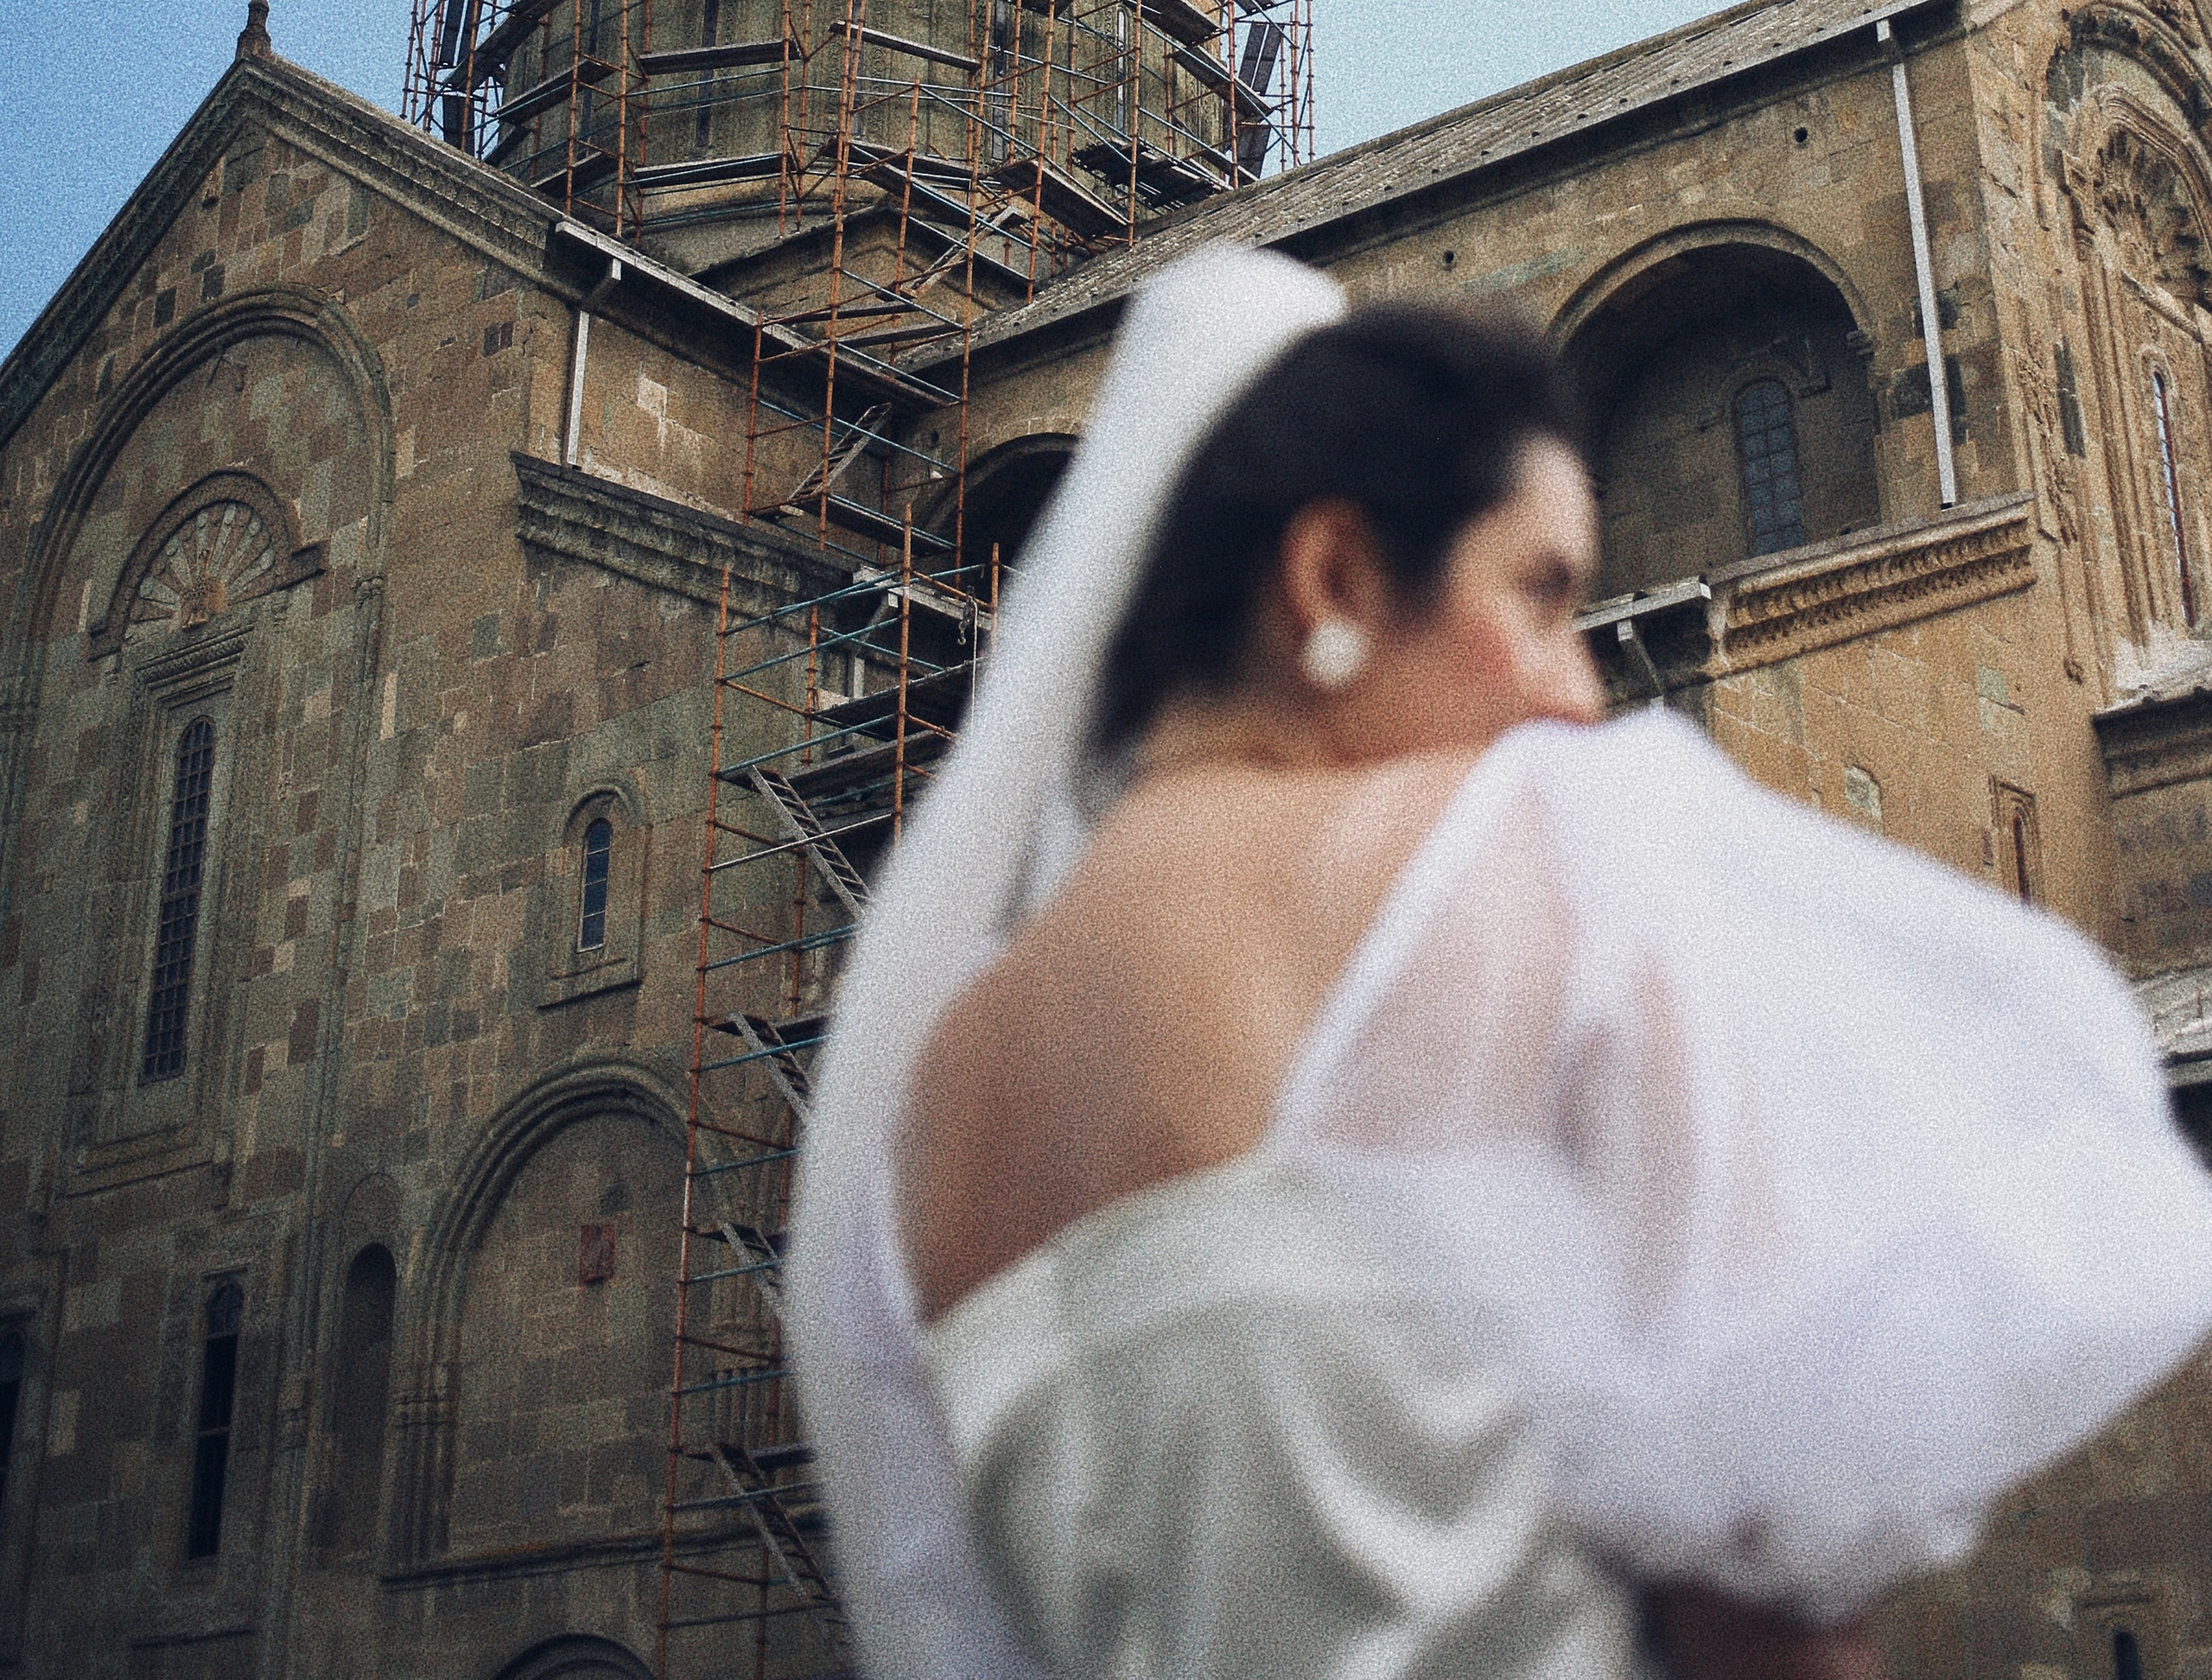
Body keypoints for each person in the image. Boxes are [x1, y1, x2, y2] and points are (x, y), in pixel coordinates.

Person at [789, 248, 2212, 1680]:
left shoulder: (924, 1093)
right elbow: (1769, 1608)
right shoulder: (1513, 849)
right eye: (1541, 595)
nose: (1578, 690)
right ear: (1334, 576)